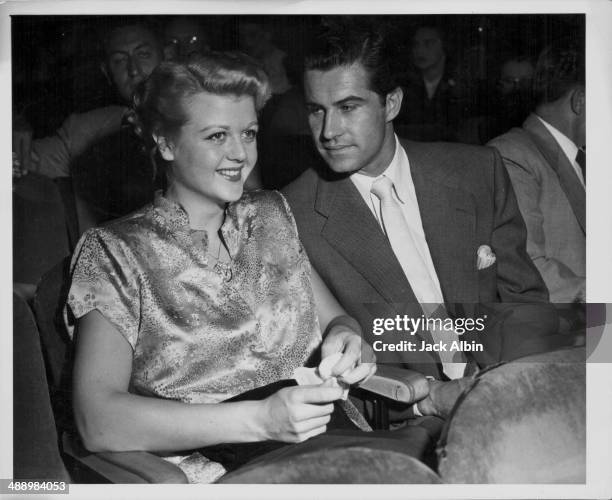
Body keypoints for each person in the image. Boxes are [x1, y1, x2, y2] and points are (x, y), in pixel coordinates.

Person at [64, 53, 444, 484]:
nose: (239, 154)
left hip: (335, 444)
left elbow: (338, 319)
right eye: (216, 136)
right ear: (166, 144)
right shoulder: (115, 251)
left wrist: (345, 338)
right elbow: (96, 420)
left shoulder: (271, 216)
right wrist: (261, 419)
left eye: (248, 133)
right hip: (224, 472)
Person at [282, 22, 556, 417]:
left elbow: (525, 300)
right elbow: (319, 366)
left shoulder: (477, 171)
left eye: (348, 107)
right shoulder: (292, 215)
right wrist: (429, 398)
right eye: (316, 111)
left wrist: (507, 383)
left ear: (391, 103)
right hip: (403, 422)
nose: (328, 131)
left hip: (511, 390)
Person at [487, 42, 585, 303]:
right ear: (580, 101)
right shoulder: (511, 154)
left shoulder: (586, 157)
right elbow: (525, 265)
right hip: (561, 332)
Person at [395, 24, 473, 142]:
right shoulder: (403, 85)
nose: (419, 50)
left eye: (428, 43)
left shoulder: (462, 85)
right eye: (416, 44)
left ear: (445, 45)